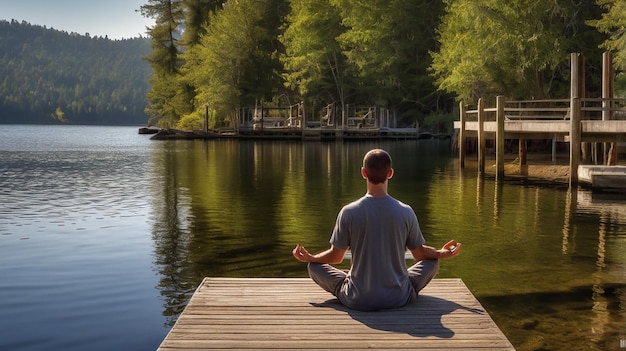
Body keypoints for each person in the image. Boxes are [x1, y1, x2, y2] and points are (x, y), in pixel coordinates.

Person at [292, 148, 461, 311]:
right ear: (390, 173)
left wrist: (312, 258)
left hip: (358, 298)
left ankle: (354, 279)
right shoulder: (406, 211)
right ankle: (393, 283)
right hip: (398, 297)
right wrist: (440, 253)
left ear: (363, 173)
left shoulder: (348, 212)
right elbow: (420, 254)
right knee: (432, 262)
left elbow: (336, 257)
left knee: (313, 267)